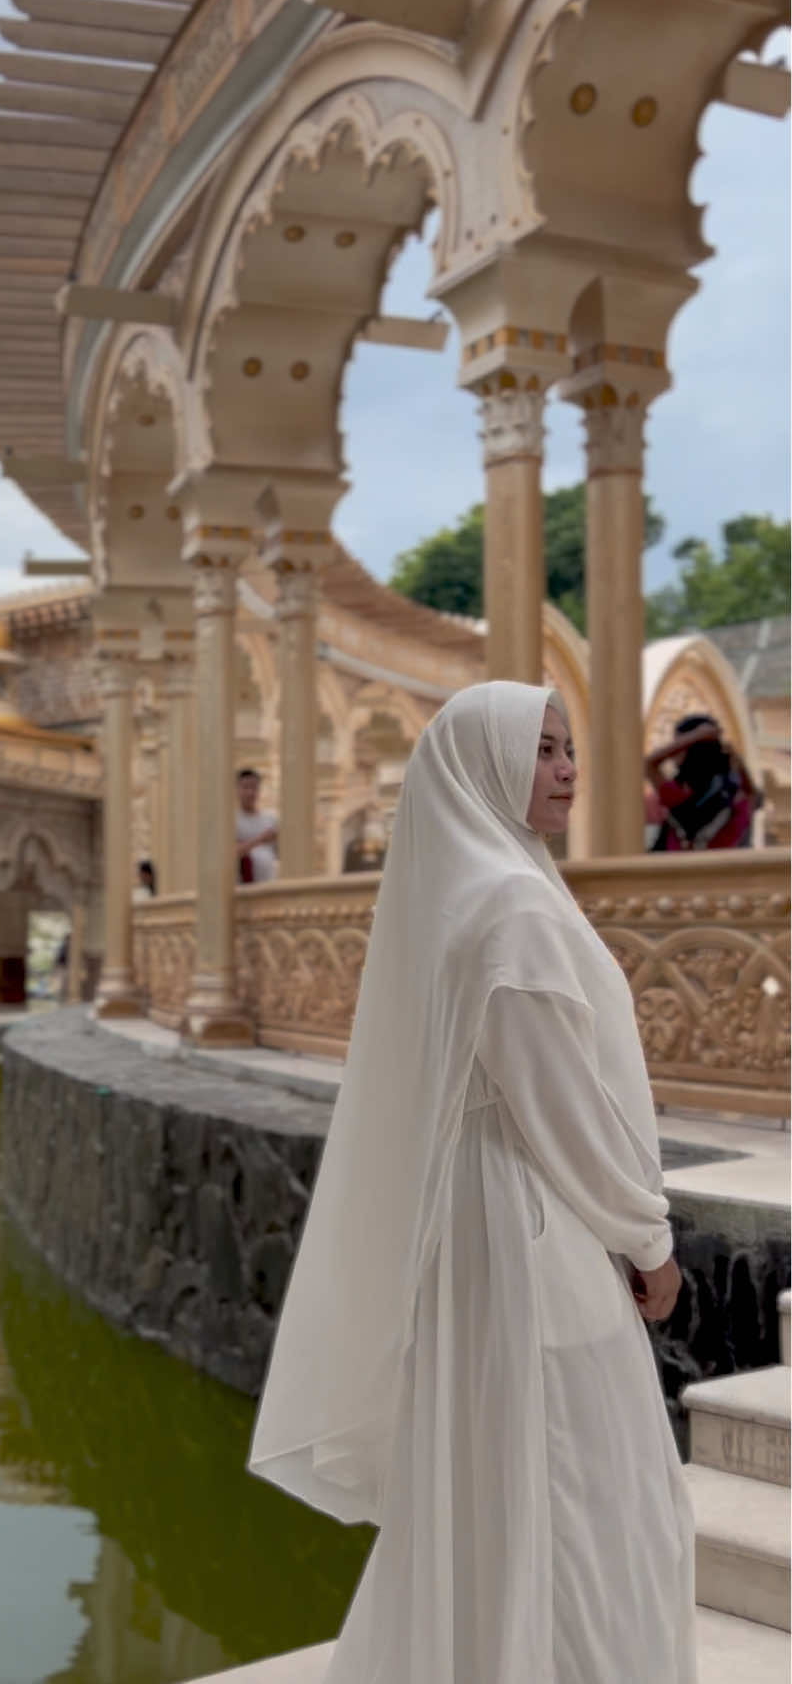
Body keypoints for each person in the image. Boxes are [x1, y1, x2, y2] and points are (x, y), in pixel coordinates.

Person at [249, 681, 693, 1684]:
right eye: (541, 749)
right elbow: (563, 1111)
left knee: (511, 1483)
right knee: (581, 1484)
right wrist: (649, 1238)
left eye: (569, 747)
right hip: (535, 1230)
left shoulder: (476, 891)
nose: (569, 768)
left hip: (486, 1222)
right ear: (481, 765)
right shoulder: (511, 909)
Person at [646, 713, 761, 851]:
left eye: (679, 746)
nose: (674, 754)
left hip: (684, 869)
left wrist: (696, 736)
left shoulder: (678, 797)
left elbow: (650, 763)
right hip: (726, 870)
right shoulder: (738, 796)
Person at [235, 768, 279, 883]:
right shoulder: (232, 820)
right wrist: (261, 839)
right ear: (237, 790)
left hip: (270, 881)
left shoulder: (271, 818)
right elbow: (232, 852)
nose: (250, 792)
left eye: (254, 788)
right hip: (245, 887)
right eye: (245, 787)